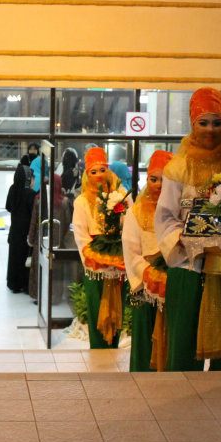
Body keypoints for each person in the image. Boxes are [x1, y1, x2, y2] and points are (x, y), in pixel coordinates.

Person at [156, 88, 221, 372]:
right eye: (203, 122)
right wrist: (191, 242)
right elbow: (165, 217)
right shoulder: (177, 169)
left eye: (217, 122)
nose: (210, 129)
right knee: (183, 345)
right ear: (192, 123)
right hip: (188, 267)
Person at [72, 146, 131, 349]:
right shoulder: (81, 201)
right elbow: (80, 234)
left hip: (119, 261)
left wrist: (123, 251)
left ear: (109, 170)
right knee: (96, 307)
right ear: (87, 174)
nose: (98, 175)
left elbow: (130, 225)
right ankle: (98, 350)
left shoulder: (122, 195)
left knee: (118, 307)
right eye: (93, 171)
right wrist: (93, 259)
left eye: (102, 170)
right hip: (94, 264)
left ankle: (113, 349)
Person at [122, 149, 173, 372]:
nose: (159, 185)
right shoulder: (135, 212)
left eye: (165, 180)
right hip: (145, 288)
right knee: (144, 342)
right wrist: (148, 273)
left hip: (173, 286)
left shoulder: (178, 212)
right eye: (154, 179)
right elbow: (131, 251)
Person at [5, 156, 36, 293]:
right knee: (25, 256)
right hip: (26, 231)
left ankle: (14, 283)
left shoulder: (12, 189)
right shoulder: (31, 194)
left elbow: (8, 207)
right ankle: (24, 284)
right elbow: (34, 213)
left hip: (14, 229)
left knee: (14, 256)